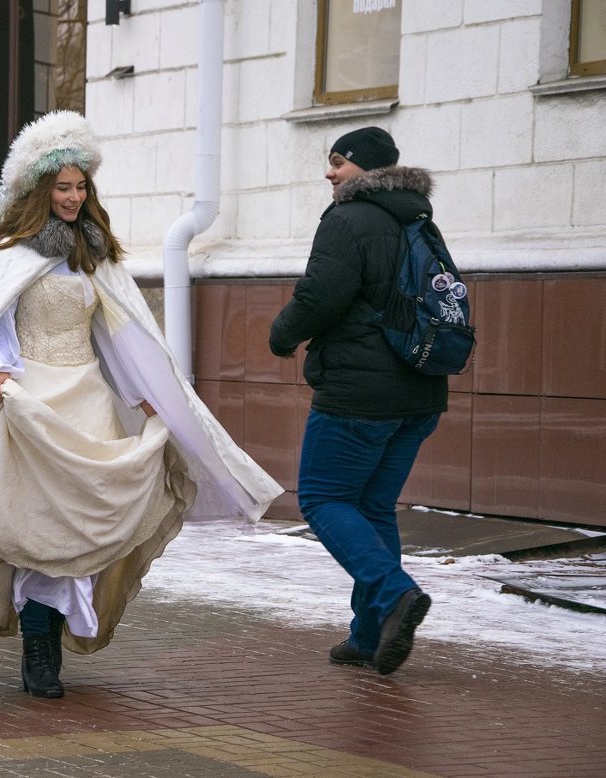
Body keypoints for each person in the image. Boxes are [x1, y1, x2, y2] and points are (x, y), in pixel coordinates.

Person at [0, 111, 282, 698]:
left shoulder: (98, 254)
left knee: (82, 531)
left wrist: (146, 396)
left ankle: (51, 642)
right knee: (40, 529)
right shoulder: (9, 254)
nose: (72, 196)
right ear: (41, 191)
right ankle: (38, 652)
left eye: (80, 185)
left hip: (86, 398)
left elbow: (123, 334)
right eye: (61, 187)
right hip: (28, 401)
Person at [269, 126, 444, 676]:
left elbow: (320, 294)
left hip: (358, 392)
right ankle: (370, 634)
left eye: (339, 162)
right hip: (418, 391)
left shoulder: (348, 218)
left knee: (322, 500)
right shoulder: (417, 218)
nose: (329, 172)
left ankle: (394, 594)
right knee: (371, 509)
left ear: (364, 170)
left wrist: (281, 334)